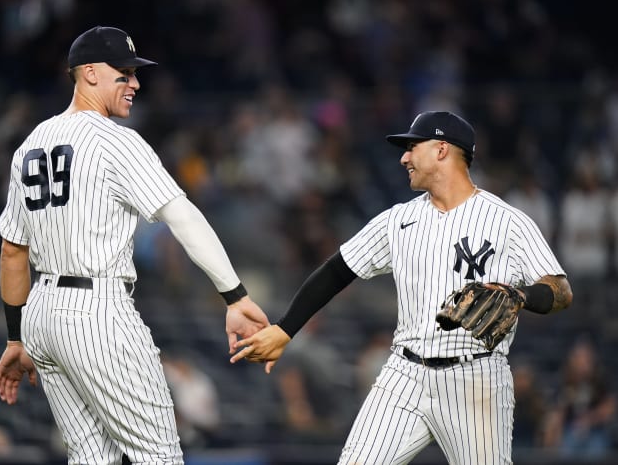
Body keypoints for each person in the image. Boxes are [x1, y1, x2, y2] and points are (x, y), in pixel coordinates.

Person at [0, 25, 269, 464]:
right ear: (88, 73)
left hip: (40, 317)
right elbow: (183, 216)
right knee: (159, 457)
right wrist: (234, 295)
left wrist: (15, 338)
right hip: (96, 310)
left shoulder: (29, 145)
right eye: (123, 73)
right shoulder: (114, 140)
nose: (135, 83)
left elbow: (12, 251)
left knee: (90, 459)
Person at [231, 111, 573, 464]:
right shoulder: (398, 220)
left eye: (412, 147)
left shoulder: (507, 222)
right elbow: (336, 271)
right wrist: (285, 330)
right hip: (404, 373)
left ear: (442, 150)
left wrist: (521, 296)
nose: (404, 157)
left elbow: (560, 291)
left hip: (477, 378)